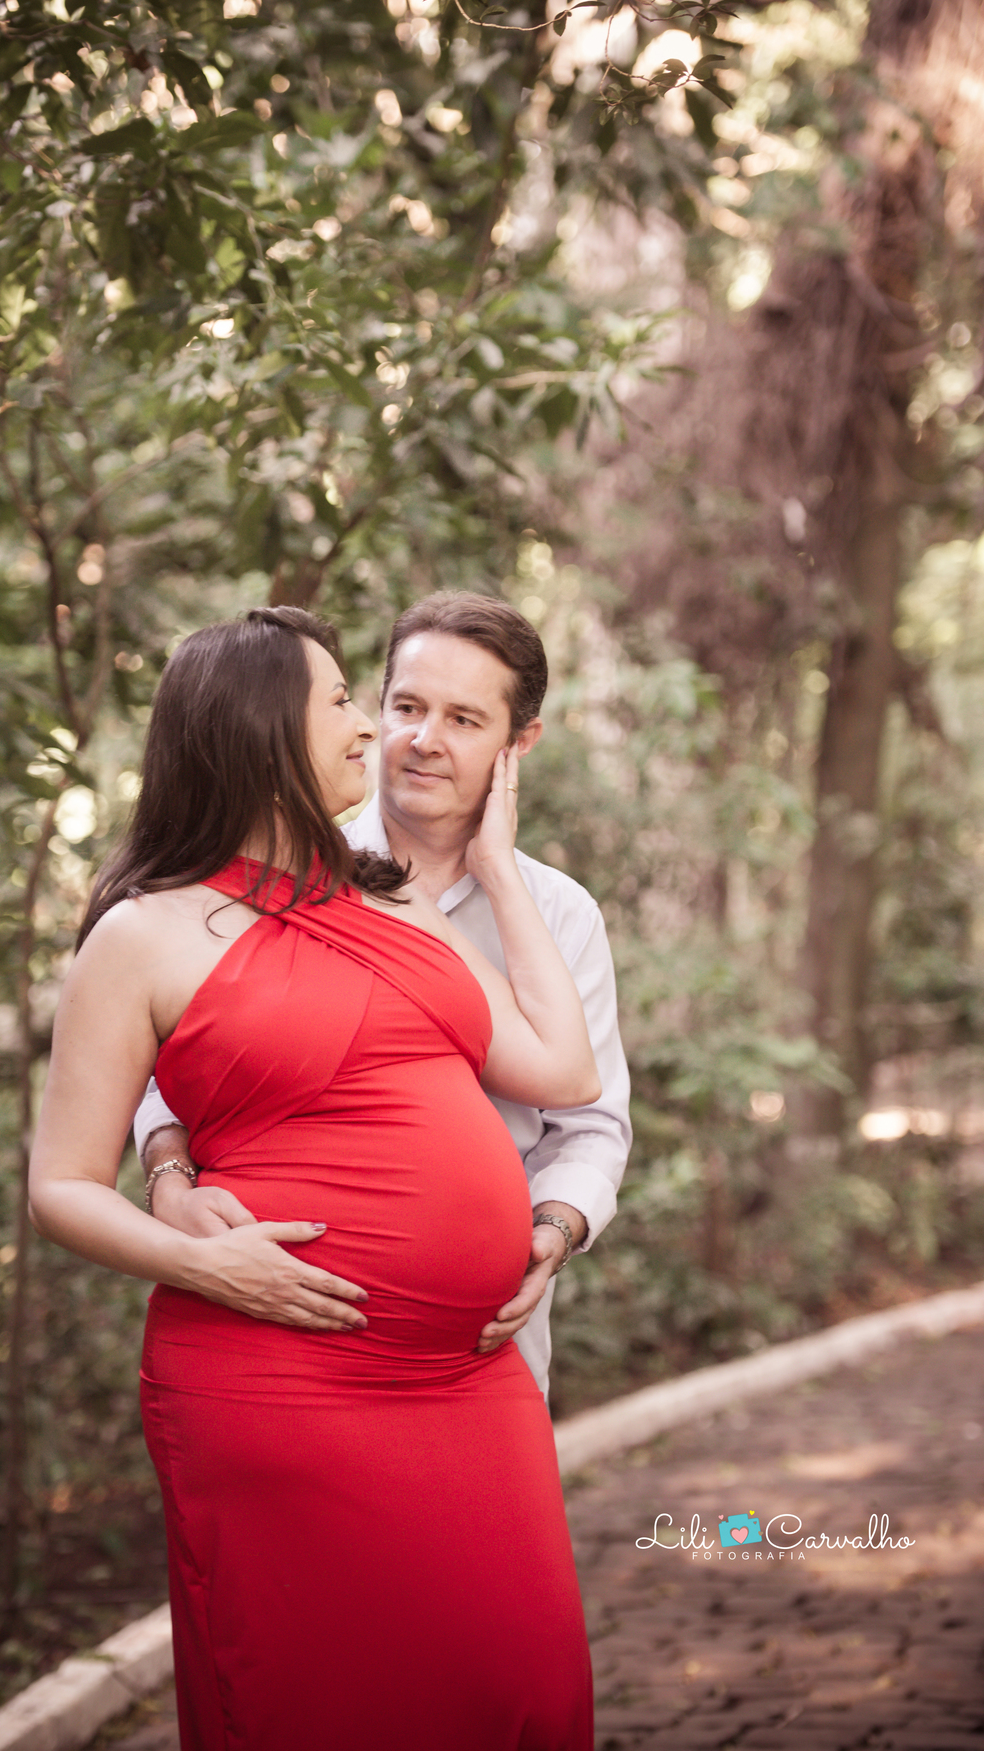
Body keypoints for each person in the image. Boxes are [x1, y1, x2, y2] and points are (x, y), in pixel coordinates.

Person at [28, 605, 599, 1751]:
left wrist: (493, 866)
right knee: (320, 1702)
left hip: (468, 1382)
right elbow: (62, 1184)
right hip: (278, 1378)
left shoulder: (388, 897)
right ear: (258, 727)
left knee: (525, 1688)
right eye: (345, 699)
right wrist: (201, 1255)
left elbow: (563, 1066)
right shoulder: (142, 936)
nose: (371, 728)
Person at [135, 592, 631, 1396]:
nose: (422, 741)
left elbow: (591, 1121)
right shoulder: (273, 870)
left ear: (521, 742)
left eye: (465, 721)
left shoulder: (560, 915)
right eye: (406, 705)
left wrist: (552, 1231)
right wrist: (168, 1176)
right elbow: (168, 1057)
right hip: (278, 1315)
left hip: (478, 1341)